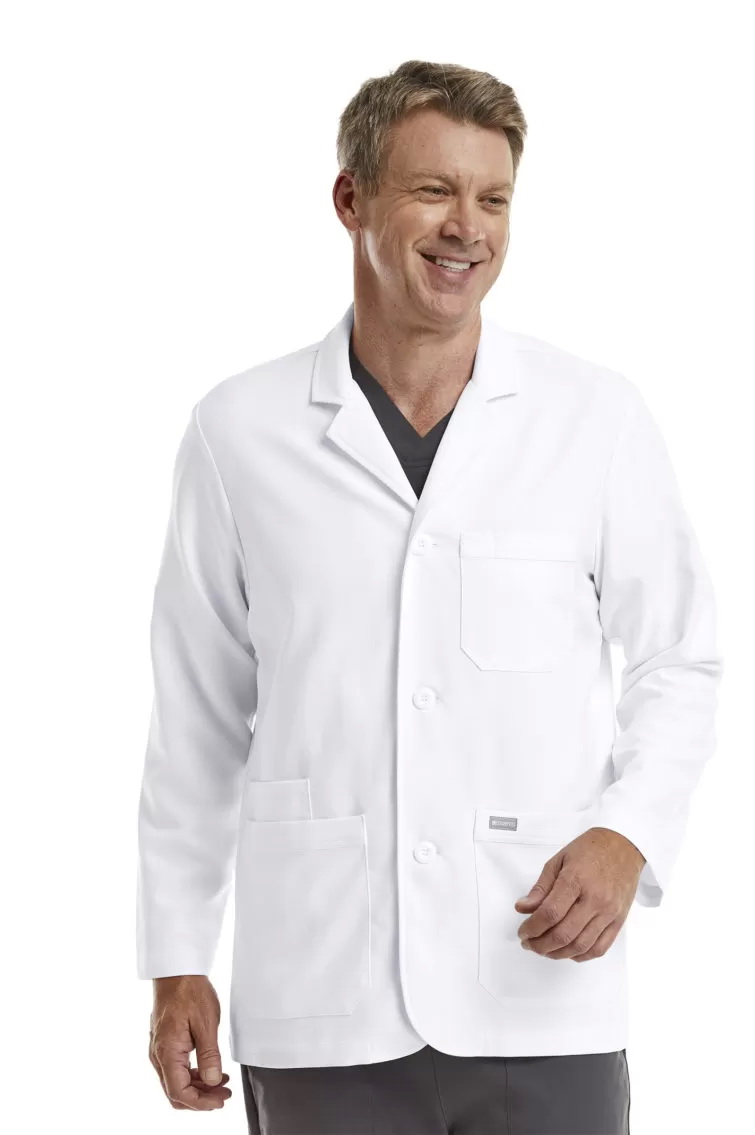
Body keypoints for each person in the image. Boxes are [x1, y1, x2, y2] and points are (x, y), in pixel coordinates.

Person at [137, 58, 723, 1134]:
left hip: (537, 985)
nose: (467, 227)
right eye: (433, 190)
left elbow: (678, 656)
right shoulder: (239, 433)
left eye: (493, 198)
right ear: (351, 199)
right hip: (323, 993)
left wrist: (627, 832)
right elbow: (198, 718)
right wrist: (178, 957)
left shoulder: (592, 419)